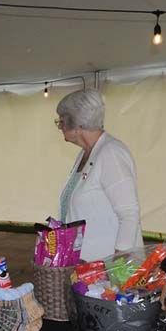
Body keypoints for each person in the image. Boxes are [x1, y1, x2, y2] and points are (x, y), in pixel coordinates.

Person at [55, 89, 143, 262]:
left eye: (62, 121)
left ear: (78, 124)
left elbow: (129, 214)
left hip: (110, 267)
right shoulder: (86, 153)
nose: (59, 126)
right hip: (87, 263)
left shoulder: (111, 153)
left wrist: (118, 264)